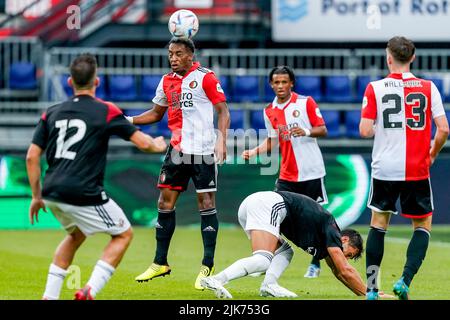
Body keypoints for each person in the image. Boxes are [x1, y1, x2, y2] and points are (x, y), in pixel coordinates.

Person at [26, 53, 167, 300]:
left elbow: (31, 157)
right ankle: (90, 291)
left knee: (76, 234)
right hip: (83, 192)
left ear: (70, 82)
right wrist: (158, 144)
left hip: (51, 191)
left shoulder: (52, 112)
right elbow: (143, 143)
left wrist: (36, 196)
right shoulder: (106, 111)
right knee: (123, 234)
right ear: (97, 82)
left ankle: (49, 296)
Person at [129, 37, 230, 289]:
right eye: (170, 54)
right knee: (164, 202)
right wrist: (127, 120)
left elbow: (223, 111)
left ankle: (207, 265)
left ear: (190, 55)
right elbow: (154, 114)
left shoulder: (206, 77)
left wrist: (222, 141)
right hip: (177, 150)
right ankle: (160, 262)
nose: (173, 58)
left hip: (204, 151)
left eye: (178, 53)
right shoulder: (166, 81)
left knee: (206, 203)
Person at [360, 36, 449, 300]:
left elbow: (365, 130)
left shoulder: (374, 88)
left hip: (384, 168)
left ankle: (373, 289)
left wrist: (383, 128)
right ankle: (404, 281)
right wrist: (431, 153)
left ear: (389, 58)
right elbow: (443, 129)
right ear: (412, 58)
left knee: (378, 225)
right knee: (422, 226)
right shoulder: (428, 87)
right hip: (416, 168)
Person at [242, 66, 328, 279]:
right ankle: (264, 259)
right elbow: (272, 141)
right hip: (287, 175)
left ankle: (315, 264)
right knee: (272, 218)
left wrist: (306, 131)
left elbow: (322, 129)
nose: (280, 86)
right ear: (271, 84)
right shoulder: (269, 110)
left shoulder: (305, 103)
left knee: (316, 220)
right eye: (276, 82)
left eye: (284, 82)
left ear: (292, 83)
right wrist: (255, 151)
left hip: (311, 172)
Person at [201, 190, 366, 299]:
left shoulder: (327, 241)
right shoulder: (333, 231)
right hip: (268, 205)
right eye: (349, 254)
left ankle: (269, 285)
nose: (346, 258)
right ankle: (216, 279)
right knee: (263, 260)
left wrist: (364, 293)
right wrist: (370, 293)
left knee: (285, 252)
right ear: (343, 239)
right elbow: (345, 270)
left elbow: (338, 272)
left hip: (255, 204)